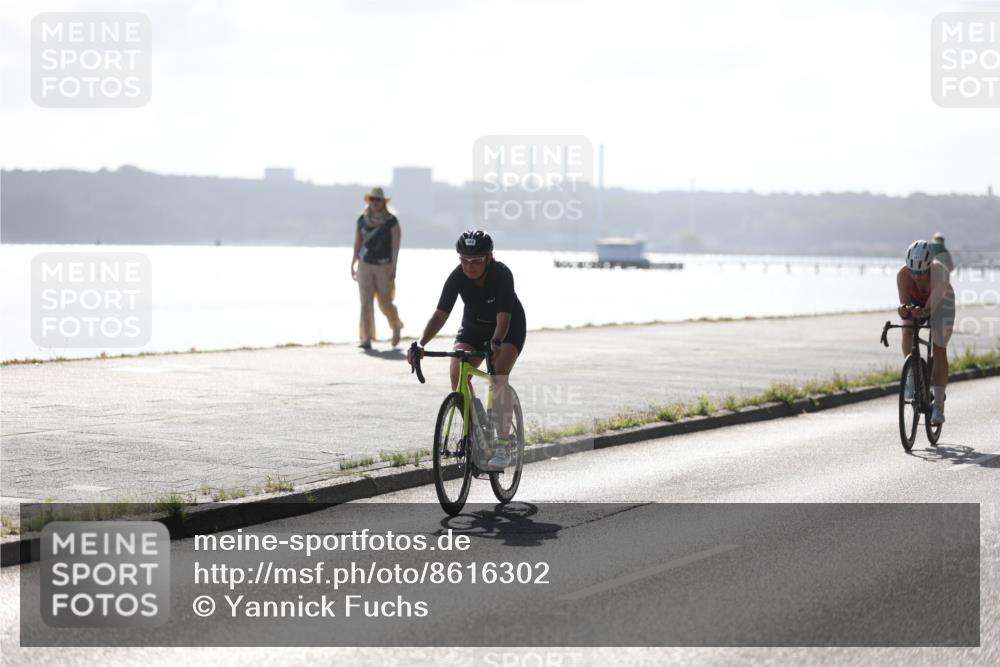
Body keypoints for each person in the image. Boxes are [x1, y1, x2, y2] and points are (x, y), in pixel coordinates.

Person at [407, 230, 526, 468]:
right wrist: (421, 343)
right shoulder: (457, 276)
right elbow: (440, 314)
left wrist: (495, 343)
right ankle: (478, 425)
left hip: (507, 329)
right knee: (456, 371)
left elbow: (503, 317)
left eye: (475, 261)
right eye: (463, 260)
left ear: (489, 257)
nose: (469, 266)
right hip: (473, 328)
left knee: (498, 376)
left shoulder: (502, 274)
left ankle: (503, 446)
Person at [896, 239, 956, 425]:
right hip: (919, 302)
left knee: (939, 347)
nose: (918, 276)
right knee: (907, 329)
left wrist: (922, 312)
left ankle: (938, 405)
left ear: (930, 266)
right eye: (914, 271)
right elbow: (905, 305)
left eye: (922, 272)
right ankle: (912, 376)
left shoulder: (940, 272)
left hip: (942, 304)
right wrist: (904, 310)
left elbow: (930, 308)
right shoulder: (903, 275)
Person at [351, 187, 403, 349]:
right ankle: (366, 337)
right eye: (372, 199)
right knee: (365, 301)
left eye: (378, 200)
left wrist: (394, 267)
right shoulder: (362, 219)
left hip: (384, 265)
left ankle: (395, 325)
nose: (375, 203)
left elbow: (395, 246)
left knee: (385, 302)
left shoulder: (391, 221)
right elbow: (357, 243)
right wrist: (352, 264)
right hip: (365, 264)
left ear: (383, 202)